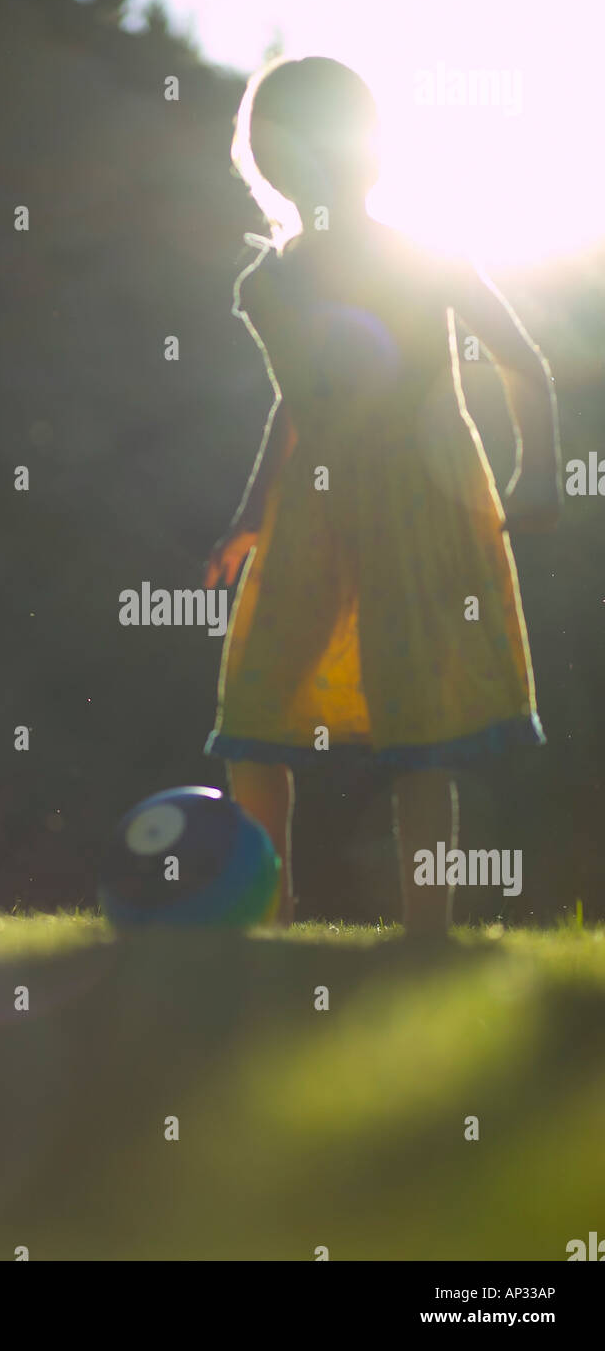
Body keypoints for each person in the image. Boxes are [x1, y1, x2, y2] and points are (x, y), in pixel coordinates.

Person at [203, 56, 561, 935]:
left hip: (422, 500)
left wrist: (540, 471)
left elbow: (524, 361)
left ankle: (425, 931)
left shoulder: (426, 259)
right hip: (315, 512)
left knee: (417, 715)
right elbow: (303, 403)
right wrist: (253, 514)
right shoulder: (272, 284)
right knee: (259, 705)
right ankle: (267, 923)